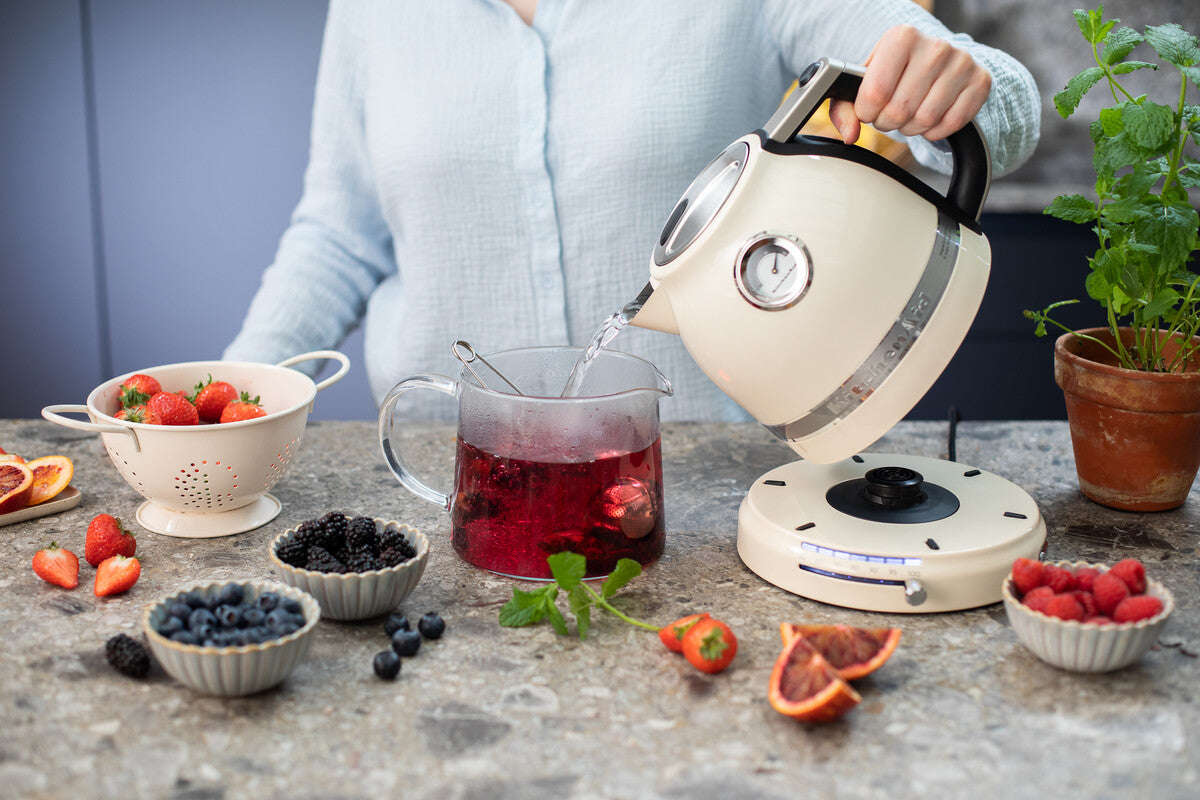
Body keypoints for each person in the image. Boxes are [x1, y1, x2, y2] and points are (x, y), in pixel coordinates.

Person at [223, 0, 1040, 422]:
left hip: (709, 483)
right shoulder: (371, 10)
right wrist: (230, 400)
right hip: (447, 478)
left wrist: (951, 89)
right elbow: (340, 234)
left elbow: (1005, 96)